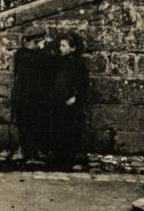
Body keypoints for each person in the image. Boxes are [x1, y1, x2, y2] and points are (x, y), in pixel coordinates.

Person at [10, 27, 53, 164]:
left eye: (39, 42)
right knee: (23, 123)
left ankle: (37, 151)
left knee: (38, 123)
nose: (38, 45)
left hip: (38, 96)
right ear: (26, 42)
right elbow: (18, 73)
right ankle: (24, 150)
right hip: (24, 94)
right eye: (35, 42)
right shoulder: (22, 55)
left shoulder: (42, 55)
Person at [49, 33, 89, 171]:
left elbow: (83, 83)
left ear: (73, 48)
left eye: (64, 46)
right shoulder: (59, 62)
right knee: (58, 128)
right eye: (60, 45)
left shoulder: (78, 64)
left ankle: (73, 158)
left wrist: (75, 96)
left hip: (72, 103)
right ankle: (59, 158)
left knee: (72, 129)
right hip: (59, 101)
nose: (60, 48)